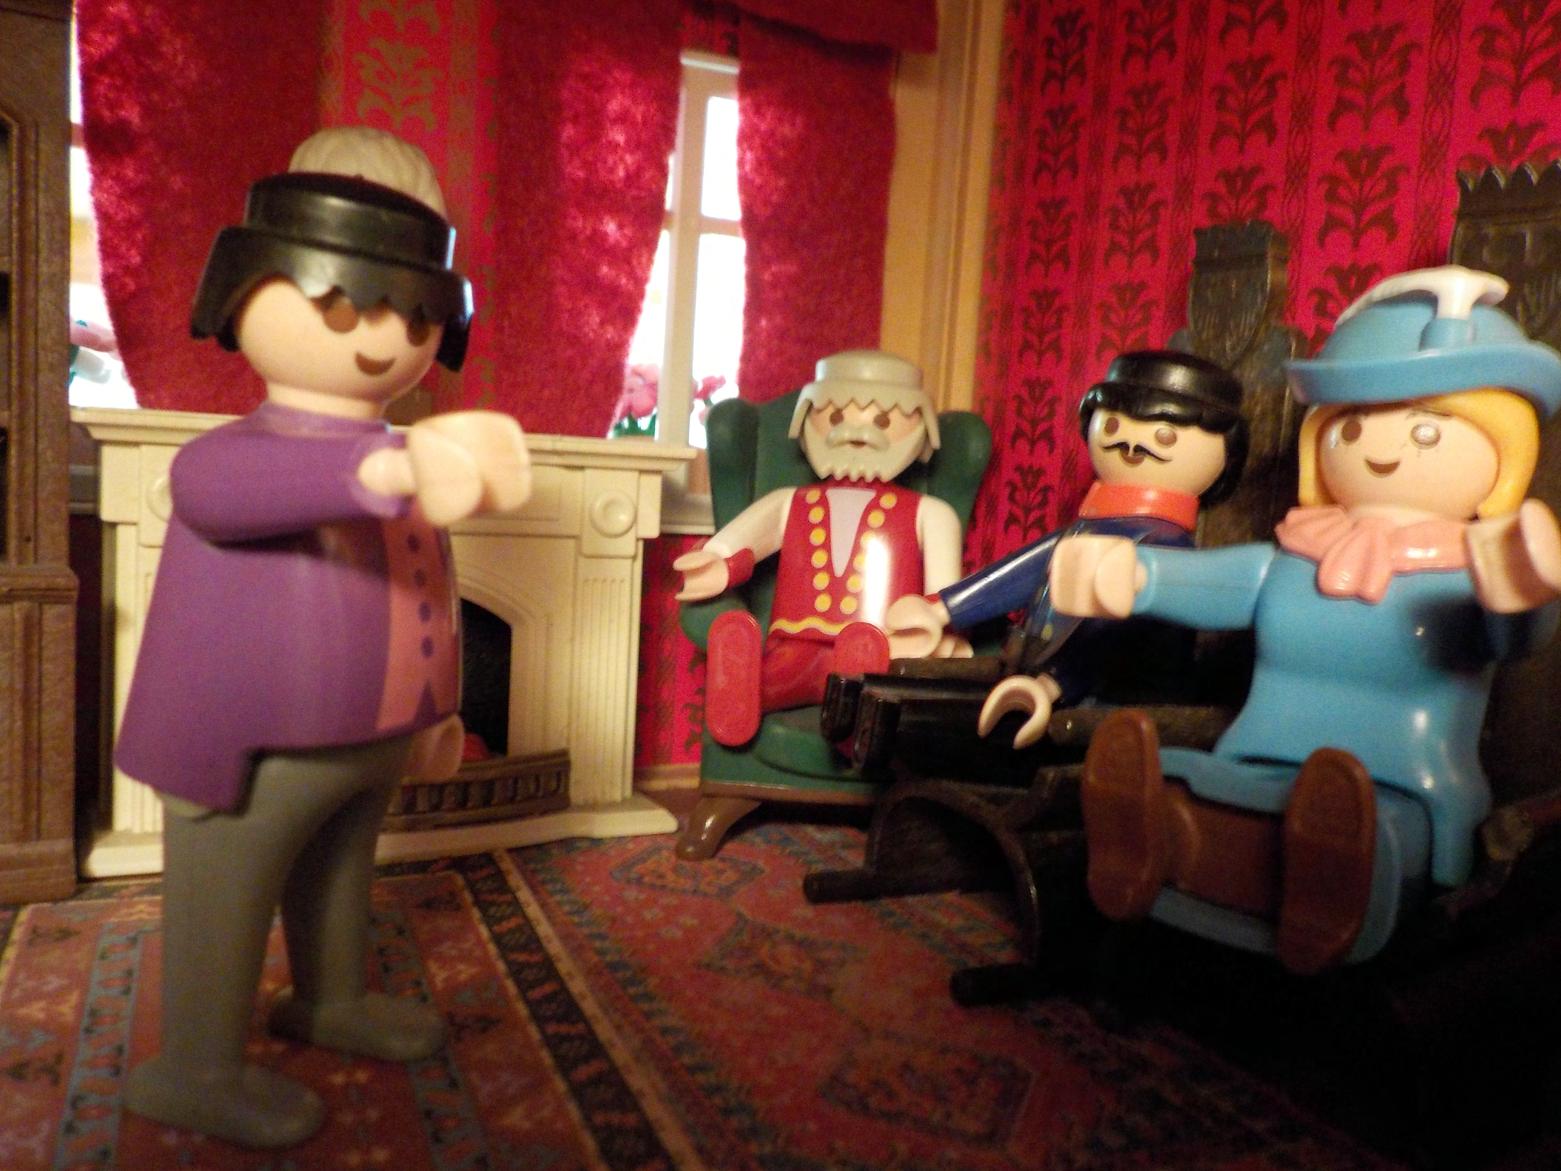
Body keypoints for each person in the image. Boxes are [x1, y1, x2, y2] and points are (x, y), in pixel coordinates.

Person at [117, 127, 531, 1148]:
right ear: (244, 288)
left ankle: (330, 996)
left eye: (414, 315)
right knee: (227, 893)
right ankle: (195, 1065)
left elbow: (425, 587)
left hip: (371, 734)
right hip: (246, 746)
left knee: (343, 869)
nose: (381, 338)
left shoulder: (408, 456)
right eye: (343, 306)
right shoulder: (236, 457)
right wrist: (383, 472)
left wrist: (437, 712)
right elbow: (224, 494)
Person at [1051, 266, 1561, 973]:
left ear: (1503, 451)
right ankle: (1145, 859)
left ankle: (1318, 907)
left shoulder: (1473, 568)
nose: (1380, 450)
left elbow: (1515, 638)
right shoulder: (1293, 555)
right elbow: (1215, 581)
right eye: (1349, 425)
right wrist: (1132, 575)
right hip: (1259, 750)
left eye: (1425, 430)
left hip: (1407, 781)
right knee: (1173, 780)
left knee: (1350, 826)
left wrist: (1523, 592)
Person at [882, 349, 1247, 749]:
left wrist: (1054, 684)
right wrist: (942, 609)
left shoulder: (1168, 549)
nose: (1131, 443)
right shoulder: (1086, 528)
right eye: (1113, 424)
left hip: (1114, 706)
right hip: (1038, 681)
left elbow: (1117, 638)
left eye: (1164, 436)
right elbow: (1020, 571)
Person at [674, 349, 966, 746]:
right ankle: (744, 691)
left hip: (883, 638)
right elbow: (745, 536)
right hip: (797, 638)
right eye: (836, 417)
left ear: (921, 427)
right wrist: (718, 559)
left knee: (873, 670)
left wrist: (934, 623)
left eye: (882, 420)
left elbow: (945, 594)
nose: (856, 432)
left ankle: (856, 703)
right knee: (780, 673)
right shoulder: (791, 501)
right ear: (807, 419)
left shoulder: (930, 513)